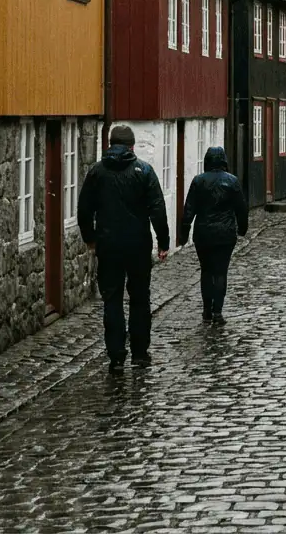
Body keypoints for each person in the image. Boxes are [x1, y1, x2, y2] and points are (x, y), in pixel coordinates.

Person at [77, 124, 169, 375]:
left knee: (112, 299)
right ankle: (139, 353)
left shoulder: (97, 172)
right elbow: (157, 209)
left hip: (108, 245)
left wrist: (90, 238)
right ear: (131, 146)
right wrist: (163, 241)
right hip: (138, 245)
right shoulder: (144, 171)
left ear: (109, 144)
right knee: (140, 298)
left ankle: (116, 355)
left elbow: (84, 209)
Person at [178, 146, 247, 325]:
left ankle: (207, 310)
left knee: (206, 271)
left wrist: (183, 235)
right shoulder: (232, 181)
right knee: (221, 271)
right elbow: (241, 209)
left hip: (204, 233)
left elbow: (188, 210)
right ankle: (218, 311)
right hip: (225, 234)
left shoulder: (198, 181)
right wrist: (242, 229)